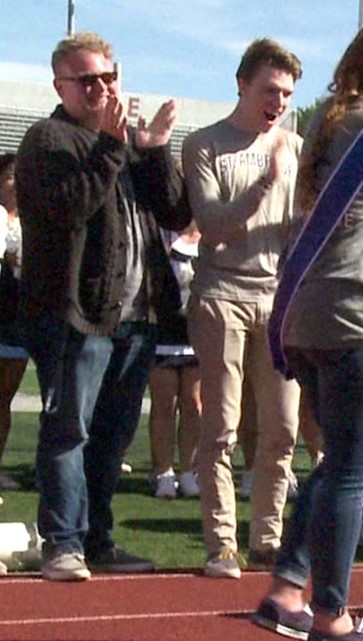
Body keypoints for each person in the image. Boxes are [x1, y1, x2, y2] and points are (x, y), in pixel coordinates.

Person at [250, 19, 363, 641]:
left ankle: (286, 589)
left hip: (305, 311)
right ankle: (333, 614)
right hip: (358, 315)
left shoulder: (327, 120)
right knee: (352, 473)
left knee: (334, 465)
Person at [16, 31, 187, 581]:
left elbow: (176, 212)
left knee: (113, 438)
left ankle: (97, 539)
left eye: (108, 78)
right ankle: (63, 544)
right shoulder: (47, 140)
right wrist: (113, 147)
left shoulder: (130, 144)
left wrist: (155, 150)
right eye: (86, 80)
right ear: (60, 87)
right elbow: (70, 209)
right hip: (75, 317)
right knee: (69, 432)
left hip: (137, 316)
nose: (100, 88)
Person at [182, 38, 304, 579]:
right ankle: (221, 545)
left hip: (278, 299)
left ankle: (268, 541)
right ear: (242, 84)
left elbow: (303, 224)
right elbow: (212, 224)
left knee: (282, 428)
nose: (278, 102)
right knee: (222, 427)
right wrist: (265, 184)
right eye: (270, 90)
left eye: (287, 94)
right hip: (221, 295)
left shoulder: (296, 146)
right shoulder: (205, 144)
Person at [149, 225, 202, 499]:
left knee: (193, 404)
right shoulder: (161, 236)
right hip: (164, 329)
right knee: (164, 403)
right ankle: (164, 472)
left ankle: (189, 471)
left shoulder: (211, 235)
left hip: (198, 332)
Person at [0, 154, 27, 493]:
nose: (15, 183)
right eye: (8, 176)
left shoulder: (32, 221)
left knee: (4, 397)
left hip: (17, 317)